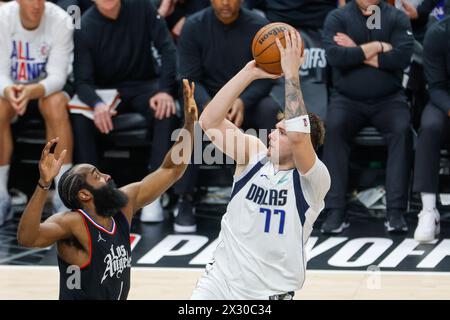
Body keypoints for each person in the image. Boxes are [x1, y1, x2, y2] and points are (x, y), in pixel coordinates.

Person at [17, 80, 198, 300]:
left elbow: (172, 169)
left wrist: (189, 125)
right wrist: (44, 183)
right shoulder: (72, 224)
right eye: (97, 176)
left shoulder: (123, 204)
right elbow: (27, 238)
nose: (108, 176)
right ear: (84, 195)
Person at [192, 30, 330, 300]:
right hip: (219, 281)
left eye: (281, 131)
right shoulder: (254, 155)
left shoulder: (314, 181)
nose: (271, 134)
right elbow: (208, 123)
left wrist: (291, 74)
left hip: (269, 293)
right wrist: (250, 72)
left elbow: (300, 138)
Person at [175, 0, 279, 232]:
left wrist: (243, 101)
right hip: (209, 100)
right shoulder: (193, 26)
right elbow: (188, 77)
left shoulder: (259, 26)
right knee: (189, 118)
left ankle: (271, 189)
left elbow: (269, 76)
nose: (225, 2)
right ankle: (186, 198)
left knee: (270, 110)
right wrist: (212, 106)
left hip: (246, 99)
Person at [73, 0, 179, 223]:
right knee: (80, 117)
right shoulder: (85, 25)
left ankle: (154, 194)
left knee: (166, 110)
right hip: (106, 92)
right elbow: (82, 81)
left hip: (144, 85)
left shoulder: (143, 7)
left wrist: (165, 90)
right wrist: (96, 103)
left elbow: (168, 50)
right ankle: (94, 197)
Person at [321, 0, 414, 234]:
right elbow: (335, 56)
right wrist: (380, 46)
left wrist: (357, 50)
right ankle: (335, 210)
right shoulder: (338, 17)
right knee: (334, 127)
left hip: (389, 99)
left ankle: (395, 211)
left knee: (402, 129)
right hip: (347, 100)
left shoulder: (395, 17)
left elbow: (401, 58)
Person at [0, 0, 74, 224]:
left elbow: (58, 77)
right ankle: (1, 196)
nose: (36, 5)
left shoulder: (61, 19)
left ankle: (63, 196)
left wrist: (31, 90)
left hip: (45, 89)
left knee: (55, 103)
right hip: (11, 88)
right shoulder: (4, 16)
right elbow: (0, 70)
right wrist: (8, 90)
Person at [412, 17, 450, 242]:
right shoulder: (437, 33)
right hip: (444, 100)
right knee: (430, 127)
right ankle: (428, 211)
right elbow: (435, 87)